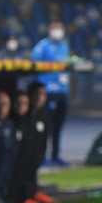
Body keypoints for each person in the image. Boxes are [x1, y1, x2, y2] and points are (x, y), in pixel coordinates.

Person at [31, 21, 72, 166]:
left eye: (60, 29)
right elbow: (34, 65)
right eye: (55, 29)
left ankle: (55, 155)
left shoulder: (65, 46)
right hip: (48, 91)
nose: (58, 32)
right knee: (45, 126)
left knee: (58, 126)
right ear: (49, 30)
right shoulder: (42, 46)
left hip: (62, 90)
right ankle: (41, 156)